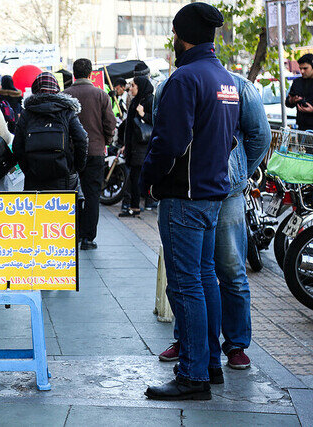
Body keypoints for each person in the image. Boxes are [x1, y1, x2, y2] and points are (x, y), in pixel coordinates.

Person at [140, 2, 239, 401]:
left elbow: (170, 143)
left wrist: (147, 179)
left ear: (182, 38)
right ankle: (210, 364)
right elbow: (230, 140)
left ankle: (193, 374)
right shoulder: (226, 78)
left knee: (186, 287)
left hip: (184, 196)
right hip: (213, 193)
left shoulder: (185, 79)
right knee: (203, 279)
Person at [156, 72, 271, 371]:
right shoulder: (169, 86)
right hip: (185, 193)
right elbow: (163, 137)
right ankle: (190, 340)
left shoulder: (240, 86)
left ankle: (234, 344)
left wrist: (237, 171)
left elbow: (261, 136)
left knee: (230, 269)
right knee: (185, 273)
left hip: (227, 193)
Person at [64, 58, 116, 250]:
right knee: (92, 194)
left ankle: (73, 233)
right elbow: (110, 124)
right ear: (90, 73)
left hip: (71, 153)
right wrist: (106, 141)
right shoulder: (101, 95)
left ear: (74, 74)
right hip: (95, 151)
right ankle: (88, 238)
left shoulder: (65, 95)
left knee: (71, 193)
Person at [13, 72, 88, 192]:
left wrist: (27, 168)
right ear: (56, 89)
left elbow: (17, 147)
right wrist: (75, 167)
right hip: (63, 176)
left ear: (35, 90)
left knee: (36, 209)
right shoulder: (67, 111)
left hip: (33, 177)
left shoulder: (27, 113)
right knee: (64, 210)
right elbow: (82, 139)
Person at [119, 76, 154, 217]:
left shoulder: (150, 100)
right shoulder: (135, 101)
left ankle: (135, 207)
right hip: (133, 146)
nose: (130, 88)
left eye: (133, 85)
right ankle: (134, 206)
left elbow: (156, 120)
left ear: (140, 86)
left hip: (142, 147)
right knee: (134, 177)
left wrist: (143, 114)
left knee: (135, 176)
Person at [285, 53, 313, 131]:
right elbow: (287, 102)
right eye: (300, 68)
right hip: (302, 127)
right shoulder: (297, 82)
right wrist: (292, 100)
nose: (302, 71)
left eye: (305, 68)